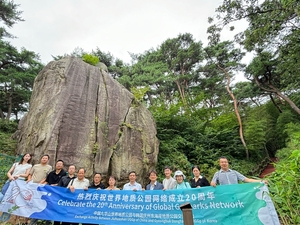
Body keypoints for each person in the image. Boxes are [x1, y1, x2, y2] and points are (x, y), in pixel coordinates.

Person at [0, 153, 32, 224]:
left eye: (28, 157)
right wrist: (10, 177)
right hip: (10, 180)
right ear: (23, 157)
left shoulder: (29, 165)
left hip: (19, 183)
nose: (27, 157)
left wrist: (19, 175)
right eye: (26, 156)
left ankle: (4, 219)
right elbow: (9, 172)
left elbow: (26, 174)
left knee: (11, 200)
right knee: (2, 195)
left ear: (30, 158)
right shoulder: (16, 164)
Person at [28, 154, 52, 225]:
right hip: (32, 185)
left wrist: (42, 183)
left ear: (48, 160)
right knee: (29, 200)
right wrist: (29, 180)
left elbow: (47, 177)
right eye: (43, 158)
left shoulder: (49, 167)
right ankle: (26, 218)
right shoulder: (35, 166)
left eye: (46, 158)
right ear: (41, 159)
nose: (44, 159)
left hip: (41, 187)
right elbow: (30, 174)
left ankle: (34, 218)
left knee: (37, 201)